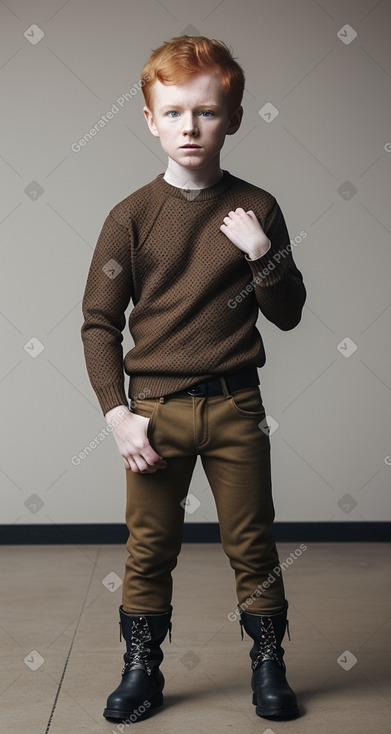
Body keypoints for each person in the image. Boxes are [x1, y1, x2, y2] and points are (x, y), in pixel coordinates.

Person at [81, 35, 306, 723]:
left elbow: (288, 313)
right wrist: (117, 414)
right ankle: (141, 670)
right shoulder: (130, 217)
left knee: (253, 542)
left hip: (235, 405)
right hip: (153, 412)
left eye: (206, 113)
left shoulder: (256, 209)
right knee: (149, 547)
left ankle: (268, 668)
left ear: (232, 117)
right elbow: (98, 323)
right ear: (149, 118)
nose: (189, 127)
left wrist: (260, 254)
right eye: (173, 112)